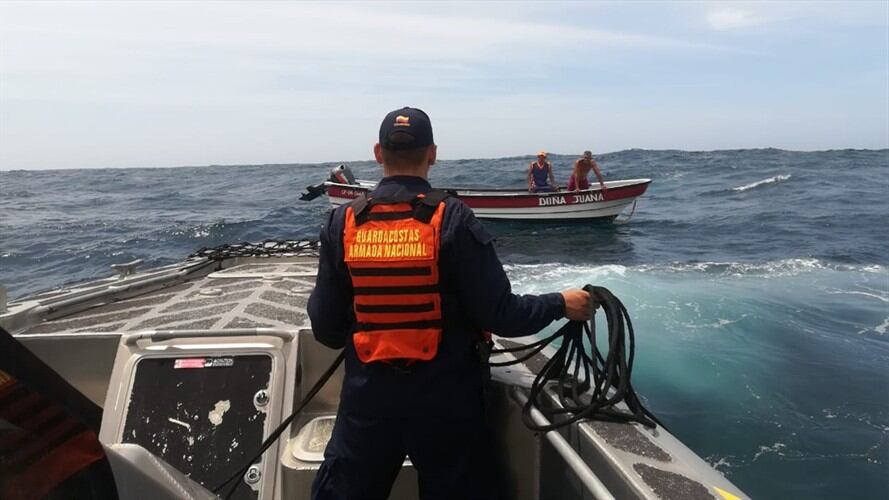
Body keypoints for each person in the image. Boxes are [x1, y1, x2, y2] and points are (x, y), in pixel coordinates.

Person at [307, 107, 592, 500]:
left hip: (368, 400)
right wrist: (561, 303)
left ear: (377, 153)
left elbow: (325, 328)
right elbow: (502, 315)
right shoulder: (453, 218)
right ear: (433, 154)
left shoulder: (343, 223)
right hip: (446, 402)